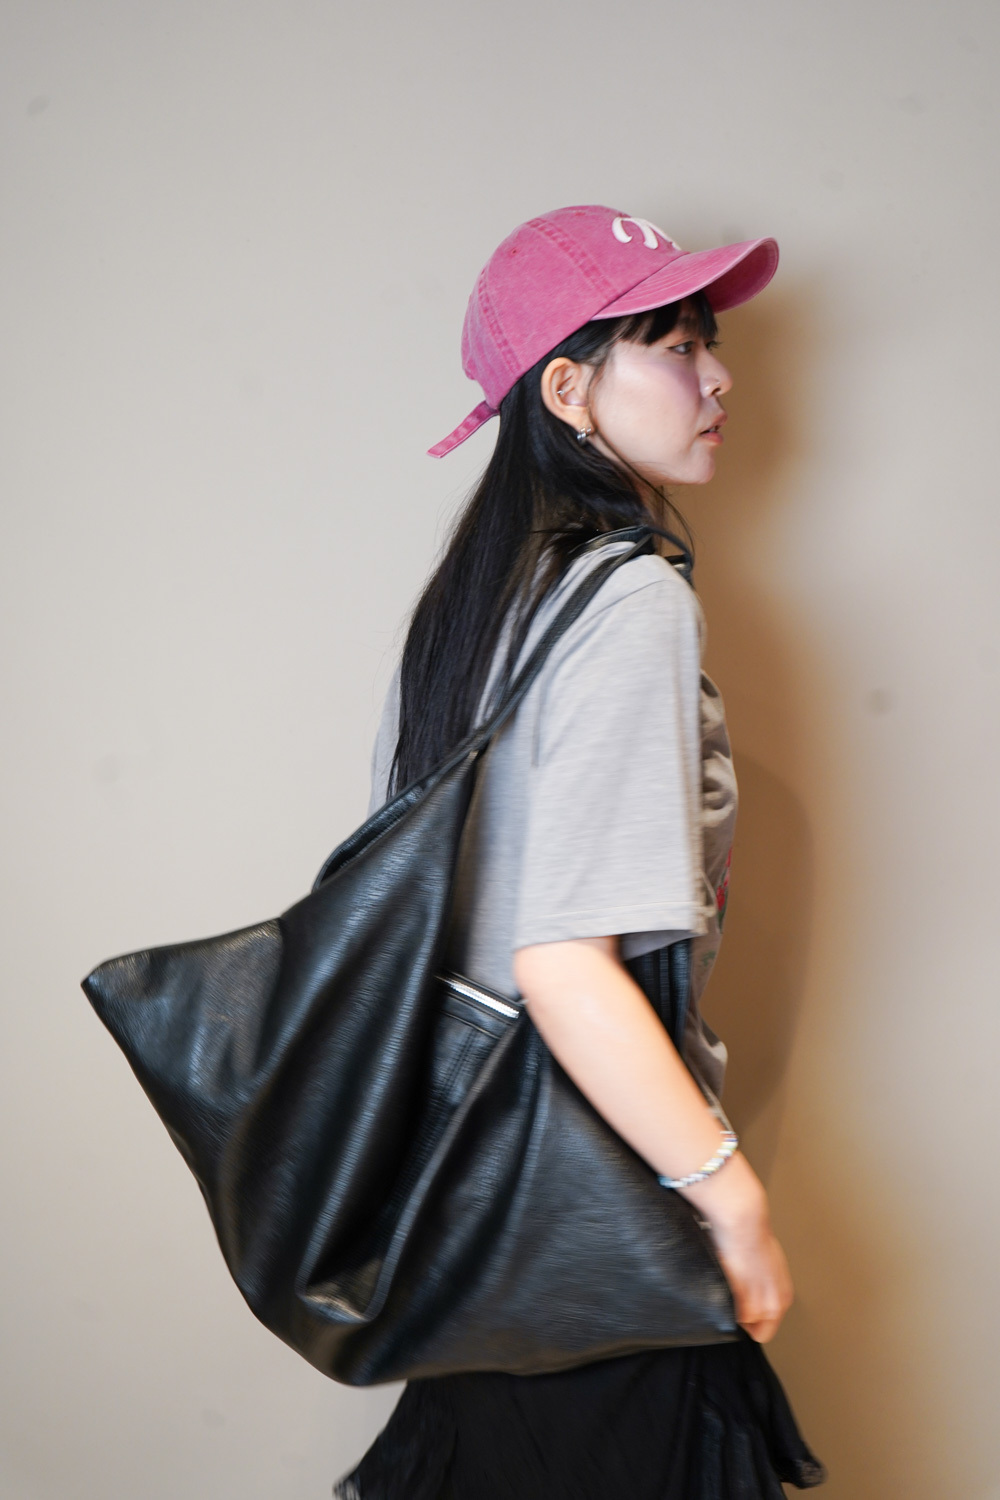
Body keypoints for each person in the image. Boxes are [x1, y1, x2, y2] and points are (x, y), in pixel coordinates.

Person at [333, 205, 826, 1500]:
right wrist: (729, 1198)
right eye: (676, 345)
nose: (720, 379)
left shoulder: (468, 606)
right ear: (568, 390)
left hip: (459, 1207)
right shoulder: (630, 597)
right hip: (591, 1211)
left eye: (710, 343)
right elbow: (561, 965)